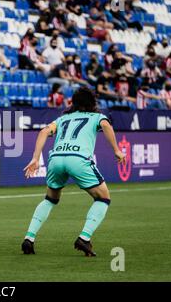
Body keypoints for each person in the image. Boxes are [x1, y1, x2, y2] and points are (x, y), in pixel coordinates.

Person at [21, 87, 125, 256]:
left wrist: (35, 158)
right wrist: (116, 150)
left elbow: (44, 131)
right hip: (78, 158)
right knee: (103, 197)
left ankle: (29, 238)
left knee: (50, 199)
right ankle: (84, 238)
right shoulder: (97, 117)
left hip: (56, 159)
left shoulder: (63, 118)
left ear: (73, 103)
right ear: (92, 102)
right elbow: (106, 125)